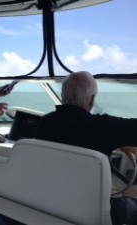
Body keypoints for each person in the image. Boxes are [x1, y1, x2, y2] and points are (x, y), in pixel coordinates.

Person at [35, 71, 137, 225]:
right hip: (95, 210)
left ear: (62, 96)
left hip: (53, 200)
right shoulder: (104, 127)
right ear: (92, 99)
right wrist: (119, 139)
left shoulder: (44, 123)